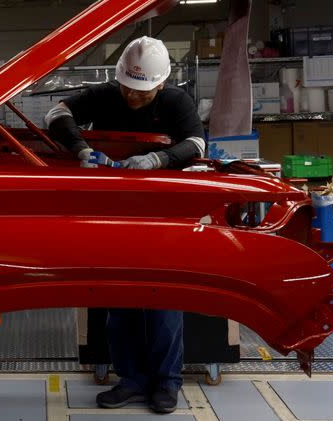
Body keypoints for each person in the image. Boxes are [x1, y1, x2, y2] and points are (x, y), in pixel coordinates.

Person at [44, 36, 205, 414]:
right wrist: (79, 148)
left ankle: (167, 382)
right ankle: (131, 379)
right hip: (115, 212)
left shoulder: (176, 102)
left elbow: (197, 143)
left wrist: (159, 160)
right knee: (119, 301)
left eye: (141, 92)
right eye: (127, 89)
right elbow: (56, 115)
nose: (132, 97)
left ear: (161, 83)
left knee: (163, 301)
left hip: (162, 214)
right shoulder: (106, 94)